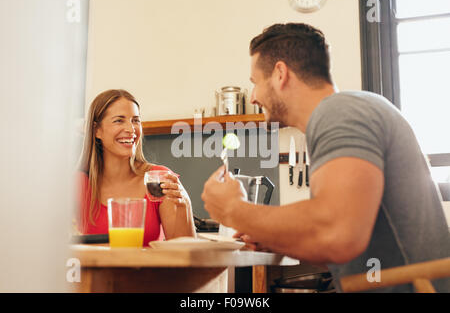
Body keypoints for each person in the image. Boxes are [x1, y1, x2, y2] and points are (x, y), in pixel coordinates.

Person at [201, 23, 450, 292]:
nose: (254, 97)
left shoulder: (340, 113)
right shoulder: (345, 112)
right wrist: (274, 237)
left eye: (255, 83)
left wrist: (235, 210)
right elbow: (338, 241)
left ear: (280, 74)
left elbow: (338, 235)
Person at [76, 89, 196, 246]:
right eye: (119, 120)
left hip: (149, 271)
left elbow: (185, 255)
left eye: (135, 120)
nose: (131, 129)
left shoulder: (159, 179)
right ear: (97, 130)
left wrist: (184, 204)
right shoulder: (77, 184)